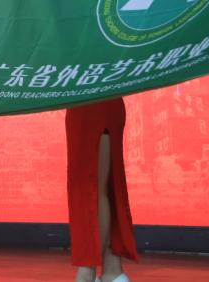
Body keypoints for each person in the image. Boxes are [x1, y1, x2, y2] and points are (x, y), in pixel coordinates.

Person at [65, 98, 137, 282]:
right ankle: (112, 271)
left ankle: (87, 272)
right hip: (90, 103)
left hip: (93, 104)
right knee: (102, 188)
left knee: (92, 189)